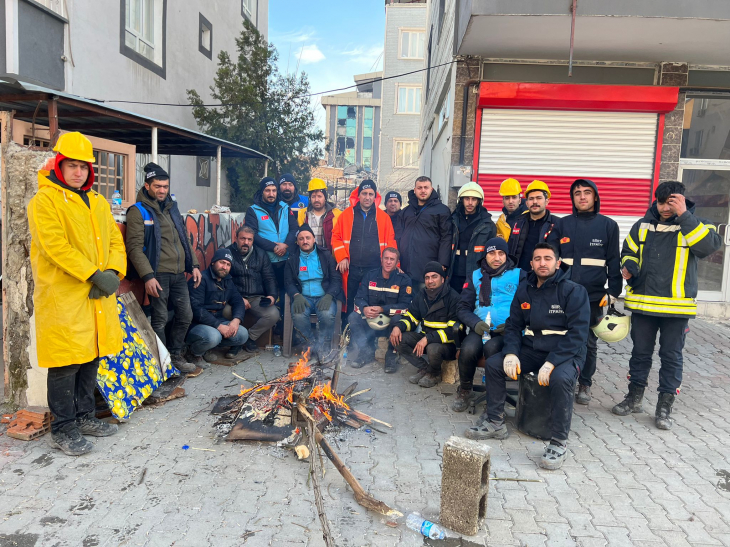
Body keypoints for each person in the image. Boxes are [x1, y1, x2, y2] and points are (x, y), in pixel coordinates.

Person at [28, 132, 126, 455]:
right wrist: (93, 275)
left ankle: (85, 416)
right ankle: (63, 426)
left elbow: (115, 240)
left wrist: (112, 272)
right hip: (65, 297)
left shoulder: (97, 202)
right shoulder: (45, 201)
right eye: (72, 166)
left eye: (83, 167)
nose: (78, 173)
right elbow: (55, 246)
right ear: (59, 165)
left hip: (94, 296)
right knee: (65, 363)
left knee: (90, 356)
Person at [468, 243, 590, 470]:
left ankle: (558, 441)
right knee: (495, 364)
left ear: (558, 263)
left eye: (547, 258)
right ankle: (495, 422)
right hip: (532, 347)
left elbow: (578, 334)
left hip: (565, 352)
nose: (542, 263)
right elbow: (514, 326)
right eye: (537, 259)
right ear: (531, 264)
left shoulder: (574, 291)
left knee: (561, 379)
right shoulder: (524, 289)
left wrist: (552, 362)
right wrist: (512, 353)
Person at [614, 181, 721, 429]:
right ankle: (634, 398)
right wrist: (629, 267)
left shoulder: (698, 225)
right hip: (643, 304)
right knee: (639, 355)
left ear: (681, 200)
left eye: (670, 203)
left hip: (676, 309)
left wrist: (684, 215)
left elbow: (708, 247)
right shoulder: (642, 225)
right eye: (661, 202)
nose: (664, 208)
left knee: (671, 357)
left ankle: (664, 407)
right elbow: (628, 251)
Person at [547, 179, 622, 405]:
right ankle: (561, 377)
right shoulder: (562, 225)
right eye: (577, 193)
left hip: (593, 296)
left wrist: (613, 291)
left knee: (588, 341)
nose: (581, 197)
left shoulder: (608, 225)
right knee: (558, 336)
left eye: (586, 193)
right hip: (563, 294)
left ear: (595, 197)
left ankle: (585, 384)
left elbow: (614, 261)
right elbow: (550, 256)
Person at [125, 162, 201, 374]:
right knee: (159, 319)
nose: (162, 190)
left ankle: (175, 355)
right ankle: (161, 365)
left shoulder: (171, 207)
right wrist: (148, 276)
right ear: (147, 186)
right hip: (158, 275)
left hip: (178, 274)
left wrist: (194, 264)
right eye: (157, 186)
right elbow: (133, 248)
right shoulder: (138, 211)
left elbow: (184, 238)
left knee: (186, 315)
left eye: (165, 186)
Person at [452, 238, 525, 412]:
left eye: (501, 253)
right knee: (468, 350)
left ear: (506, 255)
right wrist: (475, 323)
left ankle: (494, 398)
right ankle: (465, 389)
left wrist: (512, 325)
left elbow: (528, 305)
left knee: (492, 349)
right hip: (481, 329)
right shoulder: (476, 275)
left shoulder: (518, 274)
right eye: (492, 253)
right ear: (485, 255)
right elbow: (462, 307)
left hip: (508, 331)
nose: (496, 257)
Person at [389, 262, 460, 388]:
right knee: (399, 339)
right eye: (427, 278)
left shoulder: (453, 297)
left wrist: (428, 338)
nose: (430, 281)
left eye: (434, 277)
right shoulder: (421, 295)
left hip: (446, 345)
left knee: (433, 348)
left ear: (443, 279)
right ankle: (426, 369)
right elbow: (411, 318)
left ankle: (435, 374)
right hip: (425, 338)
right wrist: (398, 327)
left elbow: (453, 331)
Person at [331, 180, 396, 313]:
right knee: (350, 301)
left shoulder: (384, 218)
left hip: (375, 268)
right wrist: (342, 257)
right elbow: (335, 237)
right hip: (351, 268)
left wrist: (394, 264)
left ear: (375, 196)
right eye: (364, 193)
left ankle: (368, 332)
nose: (367, 197)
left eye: (370, 194)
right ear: (358, 195)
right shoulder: (346, 215)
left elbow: (390, 242)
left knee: (372, 302)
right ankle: (347, 330)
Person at [245, 177, 299, 331]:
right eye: (267, 190)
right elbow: (252, 234)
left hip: (286, 260)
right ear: (262, 192)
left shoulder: (285, 207)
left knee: (285, 296)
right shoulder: (253, 210)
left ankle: (283, 330)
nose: (271, 193)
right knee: (268, 297)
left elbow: (294, 229)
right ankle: (267, 332)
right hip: (265, 261)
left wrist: (286, 245)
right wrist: (274, 247)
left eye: (274, 190)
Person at [348, 247, 413, 372]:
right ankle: (365, 351)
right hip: (371, 319)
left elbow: (405, 306)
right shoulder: (370, 275)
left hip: (390, 320)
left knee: (399, 320)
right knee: (353, 317)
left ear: (397, 262)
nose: (388, 262)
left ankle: (391, 354)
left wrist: (383, 309)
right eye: (386, 258)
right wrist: (364, 308)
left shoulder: (404, 280)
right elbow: (359, 298)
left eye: (392, 259)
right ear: (381, 260)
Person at [285, 225, 343, 362]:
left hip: (324, 296)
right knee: (298, 314)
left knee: (327, 315)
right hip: (303, 297)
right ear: (297, 242)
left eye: (308, 238)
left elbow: (336, 279)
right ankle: (309, 345)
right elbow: (288, 282)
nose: (305, 241)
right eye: (301, 239)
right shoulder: (292, 258)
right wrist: (295, 295)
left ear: (314, 240)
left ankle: (323, 345)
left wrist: (330, 295)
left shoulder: (326, 255)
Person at [186, 249, 249, 366]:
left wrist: (236, 320)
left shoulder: (227, 281)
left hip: (218, 320)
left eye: (228, 264)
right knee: (213, 336)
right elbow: (196, 309)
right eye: (222, 262)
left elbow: (238, 301)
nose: (224, 267)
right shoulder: (201, 278)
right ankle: (193, 353)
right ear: (213, 262)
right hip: (196, 324)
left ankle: (206, 349)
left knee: (242, 334)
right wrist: (219, 326)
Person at [227, 226, 281, 355]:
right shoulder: (227, 253)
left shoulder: (261, 254)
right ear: (236, 238)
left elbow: (269, 277)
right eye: (243, 238)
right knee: (225, 313)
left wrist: (272, 296)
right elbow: (224, 281)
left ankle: (249, 338)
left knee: (273, 314)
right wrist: (238, 298)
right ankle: (235, 341)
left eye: (250, 240)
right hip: (234, 298)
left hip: (256, 296)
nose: (246, 242)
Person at [399, 176, 453, 288]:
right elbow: (398, 236)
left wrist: (442, 263)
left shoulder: (441, 210)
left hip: (428, 267)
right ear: (414, 190)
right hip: (406, 266)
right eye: (419, 188)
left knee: (426, 300)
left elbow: (446, 237)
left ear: (431, 189)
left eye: (426, 187)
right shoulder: (406, 211)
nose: (423, 190)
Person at [448, 182, 496, 293]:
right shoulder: (452, 221)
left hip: (476, 273)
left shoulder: (488, 225)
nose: (470, 203)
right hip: (454, 272)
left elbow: (491, 252)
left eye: (474, 199)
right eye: (467, 199)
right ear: (461, 200)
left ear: (479, 201)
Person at [508, 180, 558, 272]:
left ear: (547, 201)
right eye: (531, 199)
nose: (535, 202)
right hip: (519, 276)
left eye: (539, 198)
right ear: (526, 203)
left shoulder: (557, 224)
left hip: (545, 276)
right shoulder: (517, 223)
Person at [297, 177, 341, 252]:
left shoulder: (337, 214)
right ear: (310, 198)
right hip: (309, 256)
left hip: (329, 257)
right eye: (313, 197)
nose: (316, 200)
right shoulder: (302, 214)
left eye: (319, 196)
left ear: (325, 197)